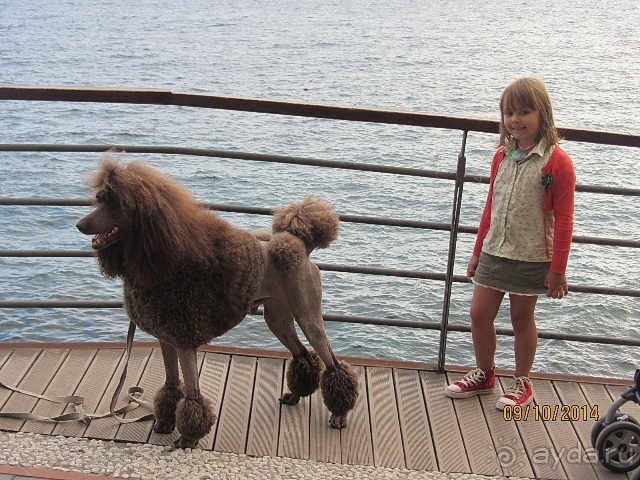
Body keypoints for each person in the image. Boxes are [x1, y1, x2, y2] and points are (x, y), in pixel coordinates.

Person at [445, 77, 576, 410]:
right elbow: (491, 207)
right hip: (494, 250)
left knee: (521, 319)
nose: (515, 120)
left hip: (531, 256)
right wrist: (476, 253)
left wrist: (558, 271)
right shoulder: (502, 156)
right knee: (478, 314)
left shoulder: (556, 162)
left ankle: (521, 381)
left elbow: (564, 221)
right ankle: (486, 374)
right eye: (509, 113)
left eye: (524, 112)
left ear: (541, 114)